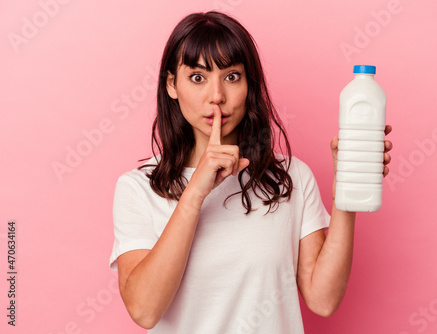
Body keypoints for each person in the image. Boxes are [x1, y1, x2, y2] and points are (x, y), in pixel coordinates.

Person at [109, 10, 392, 334]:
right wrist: (195, 192)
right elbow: (144, 310)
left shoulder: (290, 178)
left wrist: (348, 187)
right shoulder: (138, 188)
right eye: (198, 77)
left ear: (249, 84)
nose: (216, 96)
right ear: (172, 84)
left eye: (231, 76)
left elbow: (323, 300)